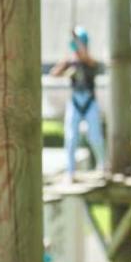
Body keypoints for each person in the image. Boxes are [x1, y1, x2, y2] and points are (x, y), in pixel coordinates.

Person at [50, 26, 105, 179]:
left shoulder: (90, 61)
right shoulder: (70, 61)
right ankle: (71, 172)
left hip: (89, 101)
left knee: (94, 136)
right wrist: (67, 62)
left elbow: (90, 61)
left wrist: (80, 52)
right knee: (71, 137)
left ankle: (101, 165)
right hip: (75, 101)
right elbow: (54, 73)